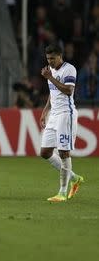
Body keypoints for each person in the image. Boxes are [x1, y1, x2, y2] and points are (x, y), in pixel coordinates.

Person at [40, 44, 84, 202]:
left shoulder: (69, 69)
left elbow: (68, 90)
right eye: (47, 59)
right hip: (54, 115)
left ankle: (62, 192)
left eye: (52, 58)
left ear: (60, 56)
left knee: (64, 153)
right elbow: (52, 93)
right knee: (45, 152)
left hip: (66, 114)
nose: (50, 61)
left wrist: (49, 77)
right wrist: (45, 111)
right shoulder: (50, 70)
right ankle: (75, 178)